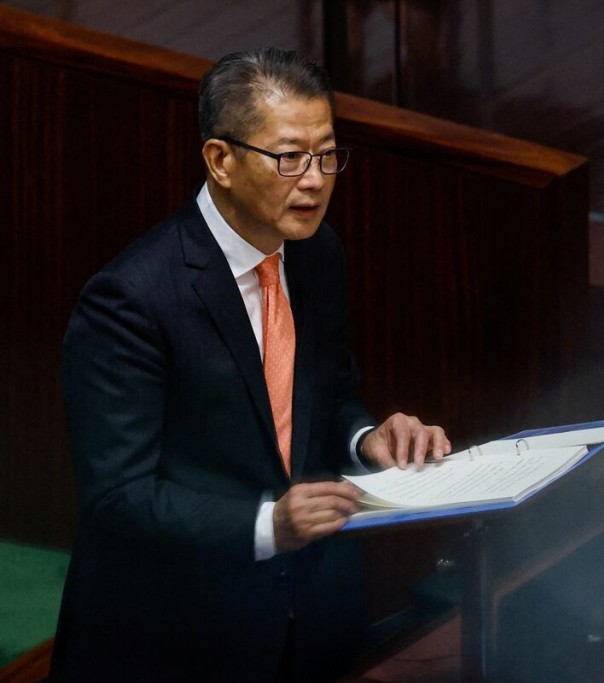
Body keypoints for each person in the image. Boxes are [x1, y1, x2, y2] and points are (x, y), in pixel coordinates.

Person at [49, 47, 451, 682]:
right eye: (290, 157)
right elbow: (118, 497)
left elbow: (328, 393)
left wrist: (365, 437)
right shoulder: (131, 298)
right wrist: (267, 523)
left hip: (311, 619)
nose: (315, 179)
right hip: (175, 637)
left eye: (327, 155)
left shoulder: (318, 255)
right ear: (221, 161)